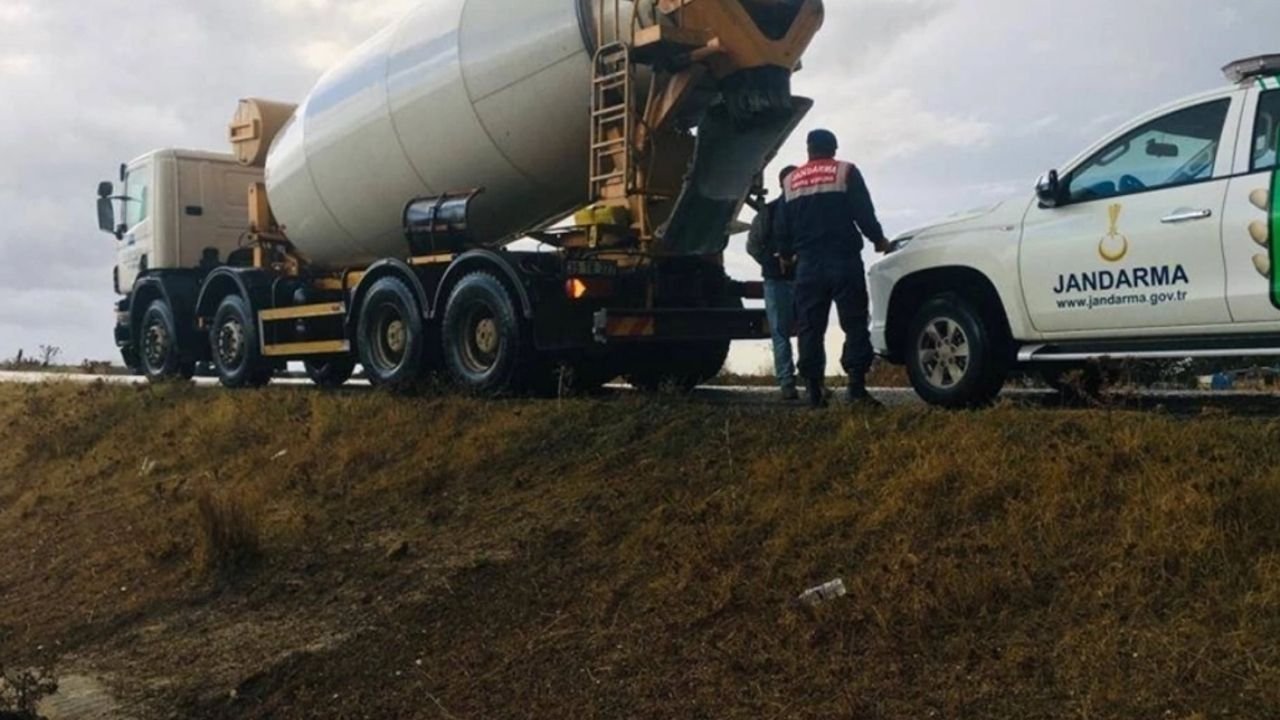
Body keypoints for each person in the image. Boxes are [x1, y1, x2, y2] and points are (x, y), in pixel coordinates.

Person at [777, 129, 890, 408]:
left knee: (810, 327)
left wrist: (786, 254)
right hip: (844, 260)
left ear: (808, 149)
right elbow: (863, 211)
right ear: (834, 148)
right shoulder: (846, 172)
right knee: (854, 322)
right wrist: (877, 239)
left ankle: (814, 392)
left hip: (808, 264)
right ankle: (856, 388)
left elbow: (782, 224)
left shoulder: (791, 180)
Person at [746, 165, 800, 400]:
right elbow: (753, 245)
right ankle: (799, 381)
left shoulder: (769, 212)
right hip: (789, 279)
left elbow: (753, 246)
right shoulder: (773, 212)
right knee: (795, 331)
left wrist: (768, 261)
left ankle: (793, 381)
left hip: (787, 280)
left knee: (785, 332)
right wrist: (771, 261)